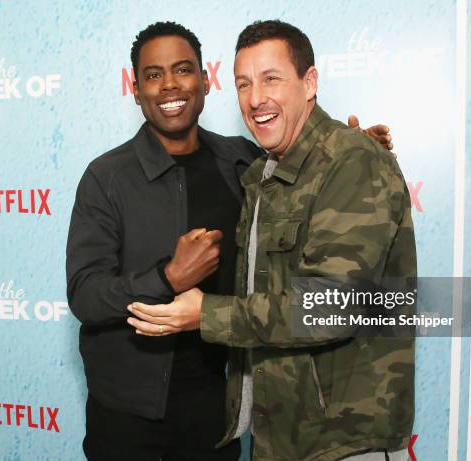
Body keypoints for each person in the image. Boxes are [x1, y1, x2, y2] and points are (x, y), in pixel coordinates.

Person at [67, 21, 394, 461]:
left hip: (215, 412)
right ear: (135, 89)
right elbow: (85, 296)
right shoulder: (105, 178)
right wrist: (166, 277)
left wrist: (354, 152)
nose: (169, 86)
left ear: (205, 81)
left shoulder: (243, 159)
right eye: (153, 75)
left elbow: (307, 173)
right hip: (126, 418)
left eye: (182, 70)